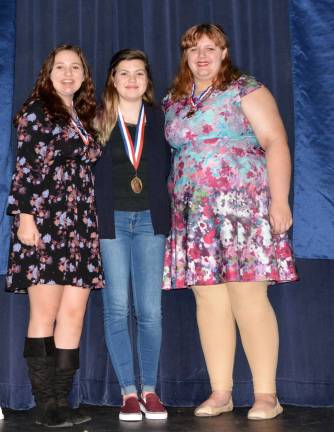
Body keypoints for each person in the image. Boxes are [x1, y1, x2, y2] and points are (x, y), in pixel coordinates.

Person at [162, 24, 298, 420]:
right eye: (193, 49)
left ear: (224, 52)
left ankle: (266, 395)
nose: (201, 56)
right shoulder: (174, 100)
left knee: (248, 297)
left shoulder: (245, 89)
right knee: (209, 302)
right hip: (194, 216)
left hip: (243, 210)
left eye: (210, 48)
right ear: (185, 55)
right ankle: (220, 392)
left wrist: (280, 201)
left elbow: (275, 142)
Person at [6, 44, 103, 428]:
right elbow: (26, 168)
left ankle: (63, 399)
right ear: (48, 73)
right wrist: (26, 217)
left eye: (74, 67)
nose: (67, 73)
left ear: (83, 74)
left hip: (79, 224)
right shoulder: (36, 111)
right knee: (44, 314)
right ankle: (45, 403)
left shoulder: (82, 114)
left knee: (73, 313)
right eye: (59, 67)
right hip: (44, 221)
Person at [94, 49, 170, 421]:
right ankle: (128, 392)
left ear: (147, 80)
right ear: (113, 79)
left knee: (150, 311)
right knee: (118, 308)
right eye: (124, 73)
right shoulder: (97, 119)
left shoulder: (160, 118)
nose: (131, 80)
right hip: (112, 223)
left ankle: (151, 391)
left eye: (139, 73)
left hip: (150, 222)